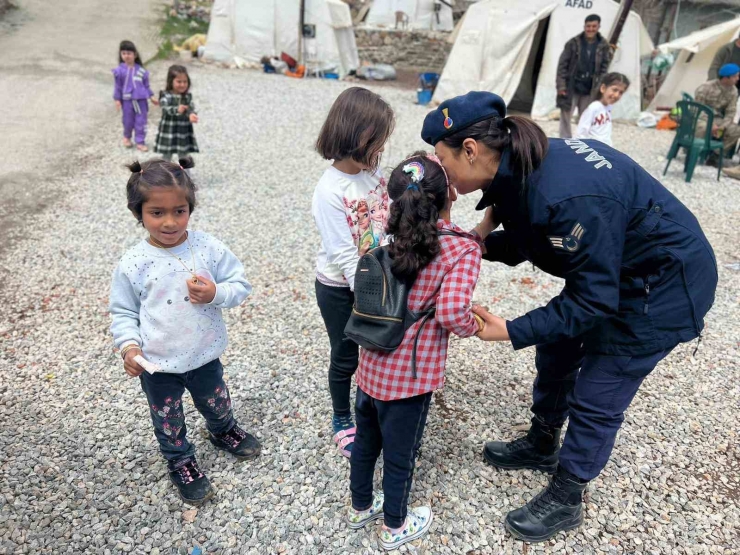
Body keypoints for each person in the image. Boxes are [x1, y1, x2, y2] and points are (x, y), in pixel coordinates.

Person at [422, 91, 718, 543]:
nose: (436, 169)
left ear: (471, 149)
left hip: (663, 286)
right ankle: (543, 441)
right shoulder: (521, 164)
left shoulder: (567, 194)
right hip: (615, 270)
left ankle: (567, 494)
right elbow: (534, 236)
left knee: (600, 387)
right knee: (557, 346)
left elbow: (593, 300)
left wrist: (512, 330)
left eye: (439, 158)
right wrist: (474, 245)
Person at [347, 153, 486, 551]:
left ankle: (360, 506)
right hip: (410, 378)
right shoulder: (460, 250)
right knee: (400, 455)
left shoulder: (389, 239)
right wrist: (475, 326)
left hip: (370, 367)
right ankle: (395, 525)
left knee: (365, 442)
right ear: (451, 194)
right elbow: (452, 311)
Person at [109, 158, 260, 506]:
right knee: (167, 416)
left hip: (204, 353)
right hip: (157, 364)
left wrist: (216, 293)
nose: (170, 221)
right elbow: (123, 311)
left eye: (179, 210)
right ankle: (179, 460)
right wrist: (129, 347)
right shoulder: (133, 262)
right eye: (157, 213)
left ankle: (222, 430)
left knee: (216, 399)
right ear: (138, 214)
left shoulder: (208, 248)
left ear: (190, 207)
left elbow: (240, 284)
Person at [312, 87, 394, 458]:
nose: (379, 151)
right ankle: (342, 417)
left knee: (374, 352)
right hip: (341, 287)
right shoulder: (329, 191)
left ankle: (368, 409)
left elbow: (387, 218)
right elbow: (345, 256)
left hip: (378, 278)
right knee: (345, 353)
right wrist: (372, 295)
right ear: (358, 135)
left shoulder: (372, 173)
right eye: (377, 142)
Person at [557, 14, 612, 139]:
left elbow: (604, 69)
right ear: (584, 26)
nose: (591, 29)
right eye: (588, 26)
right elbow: (562, 66)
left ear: (598, 27)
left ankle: (582, 142)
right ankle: (564, 140)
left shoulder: (603, 46)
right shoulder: (573, 43)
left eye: (594, 26)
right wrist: (561, 86)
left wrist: (600, 88)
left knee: (587, 116)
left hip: (590, 88)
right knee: (566, 115)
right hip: (571, 86)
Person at [112, 40, 158, 152]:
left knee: (141, 121)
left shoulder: (142, 71)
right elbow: (118, 87)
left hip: (141, 101)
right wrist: (117, 99)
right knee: (127, 121)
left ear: (135, 54)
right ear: (121, 55)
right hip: (127, 101)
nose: (126, 56)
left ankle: (140, 142)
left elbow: (146, 86)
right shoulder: (119, 71)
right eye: (123, 53)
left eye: (129, 53)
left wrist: (151, 97)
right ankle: (127, 137)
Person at [695, 63, 740, 168]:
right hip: (702, 118)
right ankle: (694, 152)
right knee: (703, 128)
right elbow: (698, 109)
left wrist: (722, 126)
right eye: (735, 76)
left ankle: (715, 156)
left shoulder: (733, 91)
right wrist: (711, 124)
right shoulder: (706, 87)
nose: (738, 79)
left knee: (735, 130)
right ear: (726, 77)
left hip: (718, 119)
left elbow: (731, 111)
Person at [154, 65, 200, 161]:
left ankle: (185, 174)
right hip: (168, 130)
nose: (182, 85)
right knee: (166, 155)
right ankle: (165, 174)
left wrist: (192, 114)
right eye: (179, 82)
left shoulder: (187, 96)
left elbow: (190, 107)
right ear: (171, 82)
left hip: (183, 131)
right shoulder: (165, 95)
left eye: (185, 82)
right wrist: (177, 109)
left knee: (183, 155)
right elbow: (165, 107)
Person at [575, 72, 630, 147]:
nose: (617, 95)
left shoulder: (609, 107)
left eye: (621, 92)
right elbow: (581, 132)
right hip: (594, 149)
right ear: (603, 88)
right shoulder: (594, 108)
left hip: (605, 148)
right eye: (614, 90)